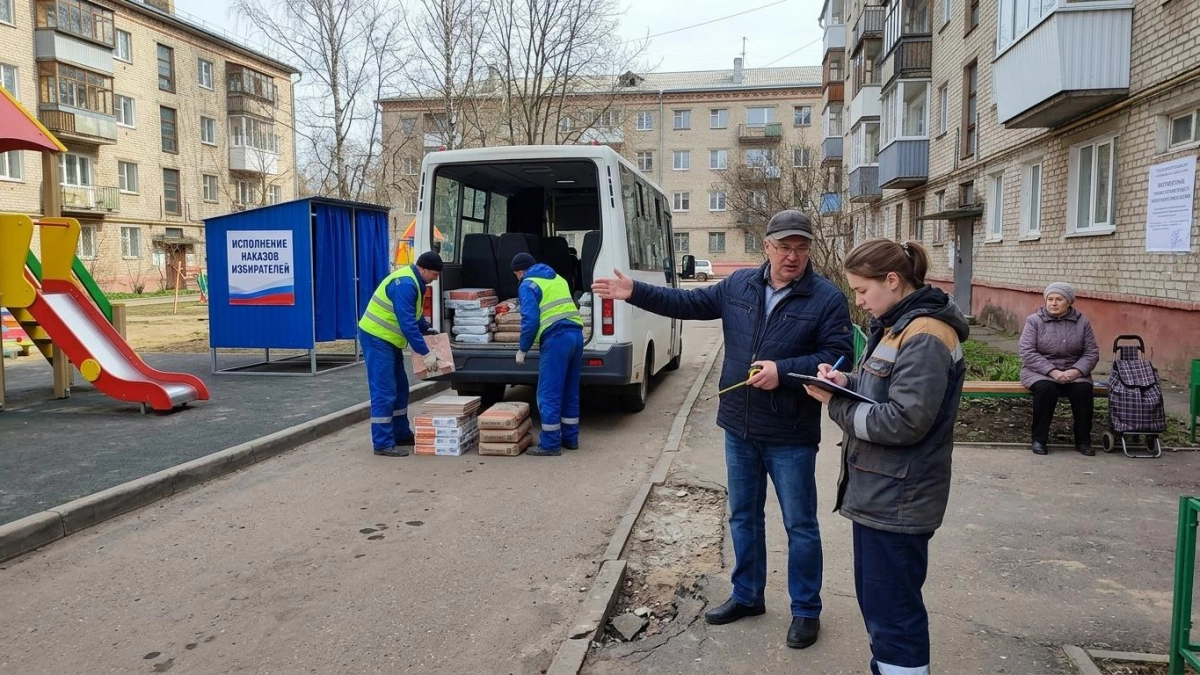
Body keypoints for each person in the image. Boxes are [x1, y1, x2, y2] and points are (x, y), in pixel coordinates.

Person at [593, 210, 853, 650]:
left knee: (800, 524)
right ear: (766, 247)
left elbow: (838, 356)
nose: (793, 256)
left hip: (790, 431)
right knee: (743, 515)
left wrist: (784, 370)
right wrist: (633, 291)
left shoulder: (826, 299)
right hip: (739, 425)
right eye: (785, 247)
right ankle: (748, 595)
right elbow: (687, 305)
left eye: (801, 248)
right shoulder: (740, 286)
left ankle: (806, 610)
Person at [802, 238, 968, 675]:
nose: (858, 302)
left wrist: (836, 404)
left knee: (894, 613)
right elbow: (884, 388)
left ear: (892, 281)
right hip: (880, 490)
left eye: (862, 290)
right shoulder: (900, 326)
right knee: (880, 605)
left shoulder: (927, 334)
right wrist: (845, 380)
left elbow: (904, 420)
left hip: (900, 496)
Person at [358, 251, 446, 457]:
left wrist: (427, 329)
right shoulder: (405, 284)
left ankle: (400, 433)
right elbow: (407, 323)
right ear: (422, 268)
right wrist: (425, 353)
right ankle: (382, 442)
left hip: (388, 340)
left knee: (400, 387)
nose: (436, 278)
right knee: (384, 390)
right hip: (377, 338)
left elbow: (414, 315)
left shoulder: (415, 281)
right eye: (434, 273)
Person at [512, 252, 584, 456]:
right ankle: (571, 439)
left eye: (516, 275)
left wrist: (523, 348)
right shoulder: (557, 278)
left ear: (520, 271)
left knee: (548, 393)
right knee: (570, 391)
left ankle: (551, 444)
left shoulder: (528, 284)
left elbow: (530, 320)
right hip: (576, 335)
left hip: (556, 338)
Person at [1018, 281, 1100, 456]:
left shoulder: (1082, 321)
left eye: (1059, 299)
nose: (1053, 303)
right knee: (1046, 390)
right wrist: (1053, 372)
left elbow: (1091, 352)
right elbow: (1027, 351)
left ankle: (1083, 441)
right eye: (1050, 299)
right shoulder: (1034, 321)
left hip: (1073, 371)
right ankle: (1039, 440)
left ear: (1069, 302)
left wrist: (1076, 371)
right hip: (1040, 372)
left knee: (1083, 390)